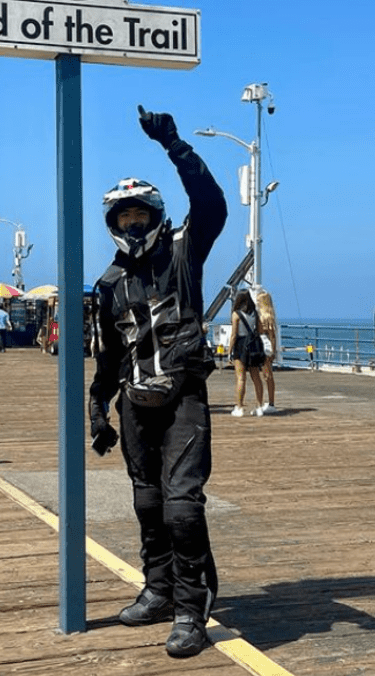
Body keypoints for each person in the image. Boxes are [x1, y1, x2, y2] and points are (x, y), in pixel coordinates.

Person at [89, 106, 227, 659]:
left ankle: (193, 610)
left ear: (157, 215)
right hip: (134, 403)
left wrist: (173, 143)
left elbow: (212, 205)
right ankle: (160, 589)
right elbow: (106, 354)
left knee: (182, 507)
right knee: (147, 504)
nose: (133, 226)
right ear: (112, 226)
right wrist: (98, 408)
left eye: (140, 216)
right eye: (123, 219)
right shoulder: (108, 283)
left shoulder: (184, 254)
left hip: (184, 397)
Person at [228, 290, 264, 417]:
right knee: (256, 378)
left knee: (241, 378)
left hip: (241, 346)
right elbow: (259, 330)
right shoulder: (256, 313)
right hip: (253, 346)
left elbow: (233, 335)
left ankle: (239, 407)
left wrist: (229, 351)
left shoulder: (236, 315)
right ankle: (259, 406)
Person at [256, 289, 278, 413]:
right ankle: (271, 401)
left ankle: (266, 403)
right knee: (269, 376)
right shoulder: (270, 317)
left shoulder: (260, 317)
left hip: (261, 345)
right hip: (268, 345)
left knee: (265, 375)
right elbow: (273, 336)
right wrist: (273, 351)